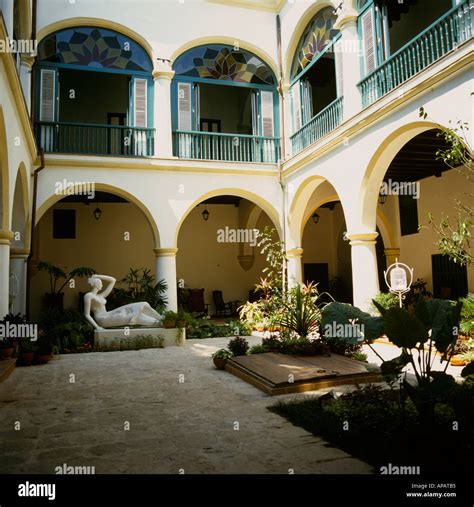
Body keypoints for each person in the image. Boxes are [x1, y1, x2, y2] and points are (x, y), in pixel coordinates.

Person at [84, 274, 162, 331]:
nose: (101, 284)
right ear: (95, 284)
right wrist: (97, 327)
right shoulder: (88, 296)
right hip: (103, 319)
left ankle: (162, 319)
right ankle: (160, 323)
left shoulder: (101, 295)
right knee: (136, 317)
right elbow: (87, 315)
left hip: (110, 314)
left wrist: (98, 276)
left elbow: (113, 280)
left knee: (144, 304)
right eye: (100, 283)